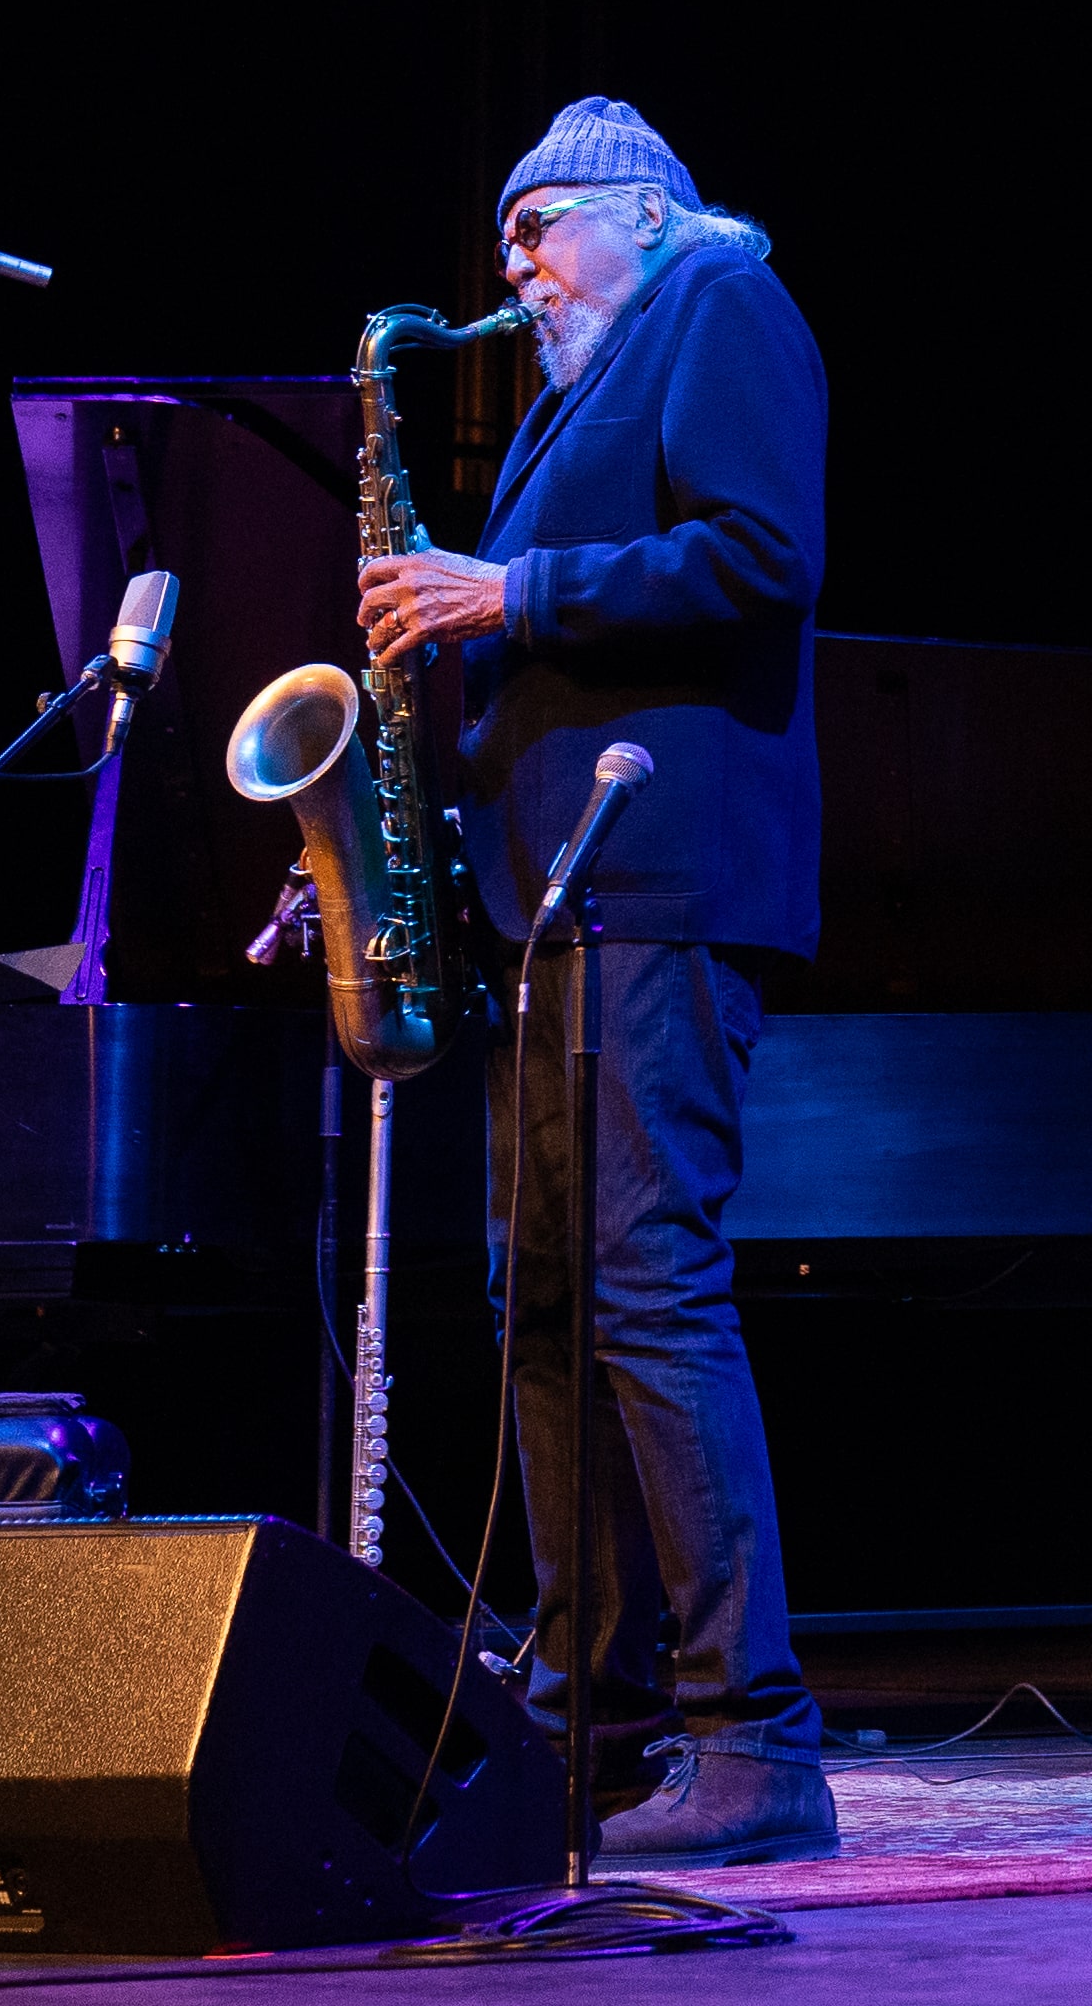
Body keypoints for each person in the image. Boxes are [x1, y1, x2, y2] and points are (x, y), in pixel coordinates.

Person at [356, 99, 836, 1866]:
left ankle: (756, 1744)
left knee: (647, 1291)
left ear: (646, 214)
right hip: (555, 903)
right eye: (504, 236)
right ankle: (593, 1721)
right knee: (545, 1313)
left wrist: (513, 588)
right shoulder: (577, 388)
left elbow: (763, 556)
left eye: (538, 224)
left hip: (660, 878)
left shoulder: (718, 298)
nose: (513, 266)